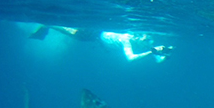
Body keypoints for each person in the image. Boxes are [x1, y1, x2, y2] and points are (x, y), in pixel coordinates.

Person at [30, 25, 173, 63]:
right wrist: (151, 53)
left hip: (100, 35)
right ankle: (48, 24)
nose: (147, 42)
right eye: (145, 40)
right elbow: (130, 59)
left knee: (74, 32)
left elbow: (152, 51)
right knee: (73, 33)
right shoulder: (127, 40)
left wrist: (161, 54)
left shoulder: (139, 40)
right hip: (94, 35)